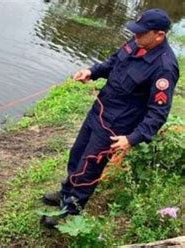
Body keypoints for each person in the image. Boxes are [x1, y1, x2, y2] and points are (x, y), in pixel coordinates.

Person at [41, 8, 179, 227]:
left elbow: (158, 113)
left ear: (159, 35)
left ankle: (69, 214)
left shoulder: (164, 67)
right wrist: (91, 71)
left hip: (116, 127)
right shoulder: (137, 43)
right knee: (77, 154)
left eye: (142, 33)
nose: (136, 36)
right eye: (136, 32)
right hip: (100, 109)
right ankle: (66, 192)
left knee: (89, 168)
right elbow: (113, 62)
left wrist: (132, 138)